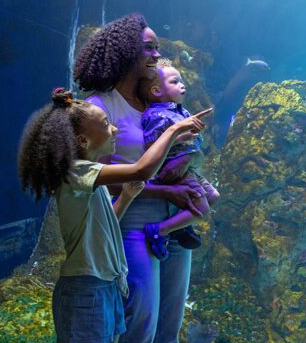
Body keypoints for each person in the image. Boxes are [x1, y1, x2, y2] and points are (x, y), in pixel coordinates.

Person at [17, 88, 208, 343]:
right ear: (83, 141)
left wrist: (127, 196)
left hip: (104, 285)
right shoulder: (76, 172)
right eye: (107, 124)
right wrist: (173, 131)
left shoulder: (90, 179)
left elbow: (106, 226)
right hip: (85, 290)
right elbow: (143, 169)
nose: (114, 129)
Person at [74, 13, 206, 342]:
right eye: (149, 47)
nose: (157, 54)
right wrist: (164, 192)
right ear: (125, 51)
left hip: (173, 222)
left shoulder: (154, 102)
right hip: (132, 223)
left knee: (170, 322)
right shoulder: (100, 107)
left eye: (157, 48)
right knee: (141, 321)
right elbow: (97, 178)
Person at [140, 59, 219, 260]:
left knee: (213, 196)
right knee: (201, 208)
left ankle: (179, 227)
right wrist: (179, 136)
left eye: (181, 80)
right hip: (173, 169)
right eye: (175, 82)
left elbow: (193, 140)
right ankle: (159, 230)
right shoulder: (156, 115)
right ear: (156, 90)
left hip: (188, 168)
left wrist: (194, 134)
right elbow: (151, 147)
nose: (182, 85)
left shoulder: (180, 112)